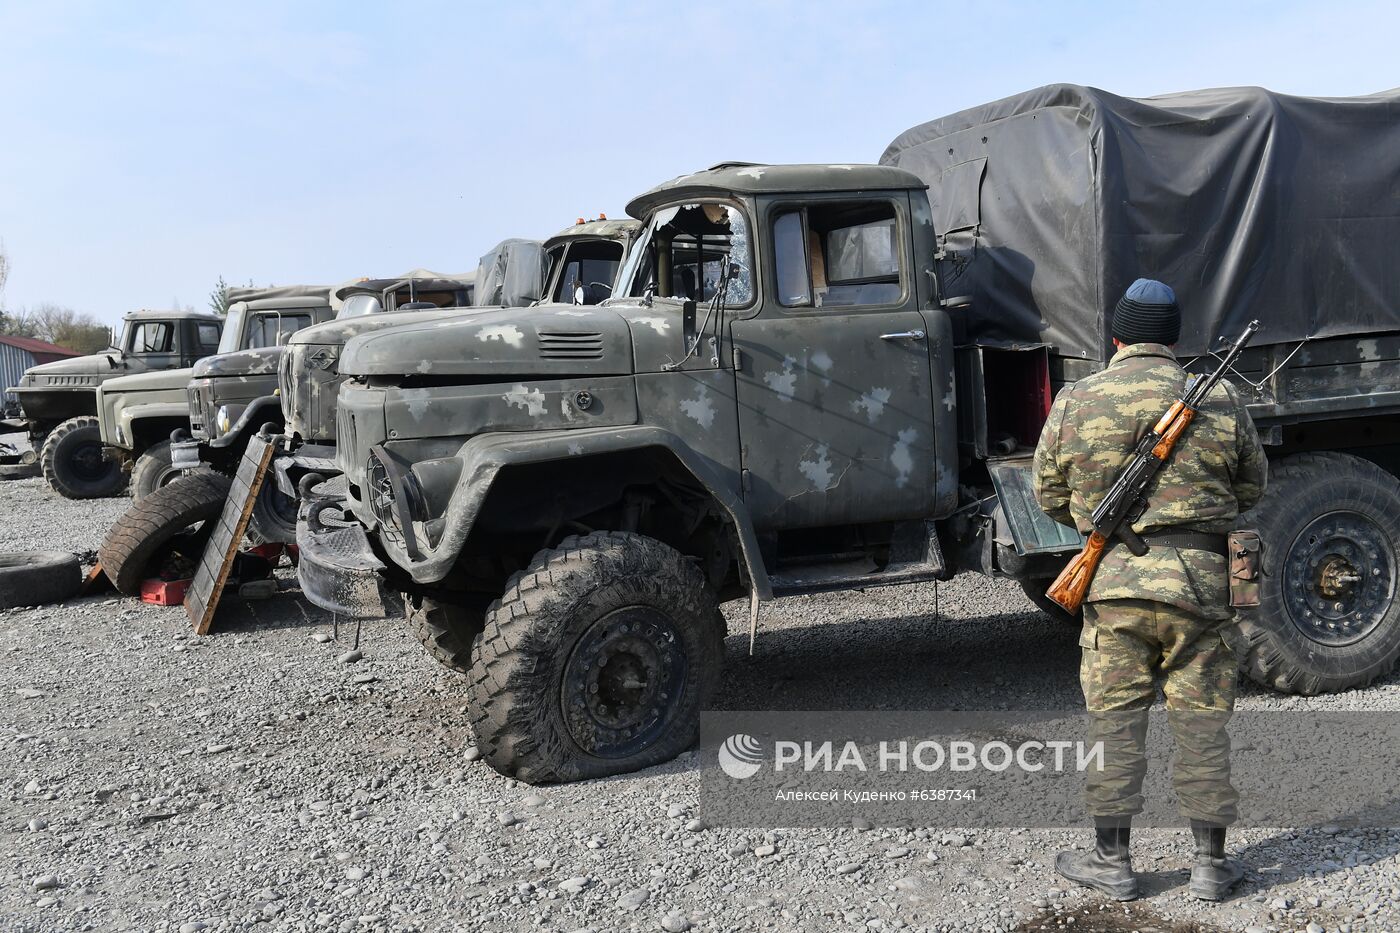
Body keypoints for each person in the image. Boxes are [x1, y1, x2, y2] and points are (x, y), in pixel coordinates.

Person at [1032, 278, 1268, 902]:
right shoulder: (1219, 399)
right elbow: (1251, 489)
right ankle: (1211, 867)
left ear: (1115, 336)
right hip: (1203, 590)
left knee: (1114, 726)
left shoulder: (1078, 399)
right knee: (1202, 727)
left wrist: (1105, 527)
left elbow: (1049, 495)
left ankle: (1113, 863)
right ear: (1173, 338)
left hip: (1114, 589)